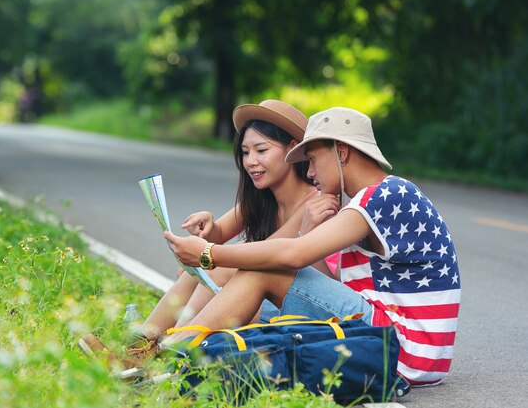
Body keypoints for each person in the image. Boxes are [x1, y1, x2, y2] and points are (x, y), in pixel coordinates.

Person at [166, 107, 461, 386]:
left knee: (258, 271)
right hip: (390, 341)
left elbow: (291, 255)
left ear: (341, 152)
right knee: (247, 305)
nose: (309, 172)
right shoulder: (363, 203)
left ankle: (171, 359)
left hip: (401, 349)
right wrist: (307, 231)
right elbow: (328, 288)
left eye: (313, 159)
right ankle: (170, 351)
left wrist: (209, 254)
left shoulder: (387, 194)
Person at [79, 100, 338, 367]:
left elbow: (269, 253)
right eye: (246, 152)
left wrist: (205, 256)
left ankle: (163, 355)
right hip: (266, 298)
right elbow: (220, 233)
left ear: (293, 149)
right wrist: (209, 228)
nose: (251, 162)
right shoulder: (260, 199)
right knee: (206, 267)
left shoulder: (313, 202)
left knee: (216, 266)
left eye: (262, 150)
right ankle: (141, 346)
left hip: (301, 309)